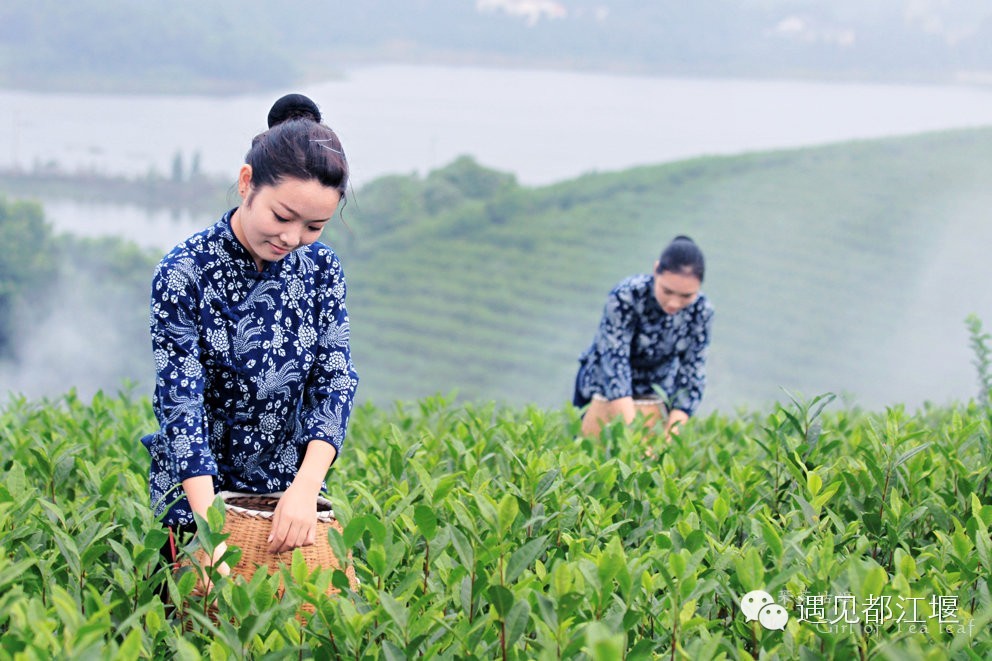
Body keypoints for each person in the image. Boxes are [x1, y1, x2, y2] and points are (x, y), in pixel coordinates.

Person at [141, 93, 359, 574]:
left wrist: (305, 489)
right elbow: (181, 401)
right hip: (198, 496)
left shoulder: (321, 270)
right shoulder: (185, 272)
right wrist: (209, 529)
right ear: (246, 184)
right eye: (282, 217)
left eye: (314, 226)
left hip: (289, 499)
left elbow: (336, 380)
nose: (291, 238)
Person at [573, 235, 713, 439]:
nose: (674, 303)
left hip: (654, 391)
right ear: (656, 270)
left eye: (686, 296)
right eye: (667, 291)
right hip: (603, 387)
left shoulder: (702, 311)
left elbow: (692, 374)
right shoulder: (626, 296)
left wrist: (669, 436)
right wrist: (634, 435)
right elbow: (614, 362)